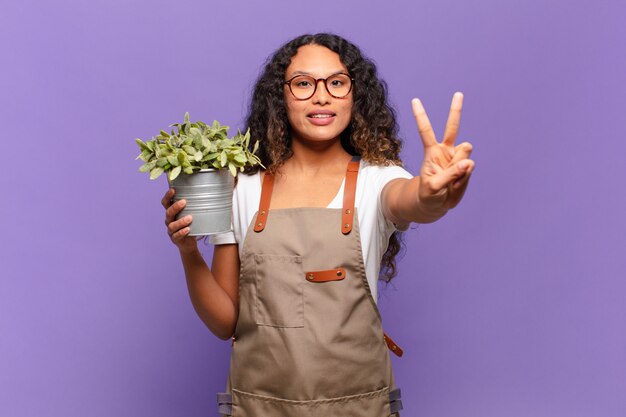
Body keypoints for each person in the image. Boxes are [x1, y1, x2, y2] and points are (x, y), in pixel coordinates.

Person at [161, 33, 474, 417]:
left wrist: (434, 194)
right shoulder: (242, 185)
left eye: (337, 83)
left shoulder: (378, 179)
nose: (322, 96)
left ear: (354, 95)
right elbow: (225, 322)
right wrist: (189, 252)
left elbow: (410, 200)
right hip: (259, 407)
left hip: (360, 406)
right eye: (304, 83)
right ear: (281, 96)